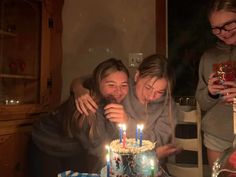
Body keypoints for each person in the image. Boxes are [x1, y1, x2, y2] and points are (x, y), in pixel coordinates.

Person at [73, 54, 181, 170]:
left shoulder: (168, 106)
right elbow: (95, 78)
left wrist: (128, 122)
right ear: (137, 76)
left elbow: (158, 144)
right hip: (110, 164)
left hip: (148, 167)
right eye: (148, 87)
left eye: (159, 92)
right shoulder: (122, 87)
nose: (151, 96)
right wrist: (78, 88)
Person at [29, 58, 129, 177]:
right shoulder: (87, 105)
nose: (118, 91)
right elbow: (100, 148)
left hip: (75, 146)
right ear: (98, 82)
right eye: (111, 85)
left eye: (124, 85)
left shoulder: (110, 100)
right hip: (46, 145)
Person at [195, 0, 236, 169]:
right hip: (216, 135)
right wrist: (210, 92)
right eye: (216, 28)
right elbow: (201, 101)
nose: (223, 32)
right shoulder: (209, 57)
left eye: (229, 25)